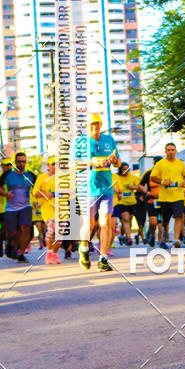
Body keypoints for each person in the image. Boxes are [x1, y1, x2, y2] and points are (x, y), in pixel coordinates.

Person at [79, 113, 120, 273]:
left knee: (105, 222)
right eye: (91, 124)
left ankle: (103, 258)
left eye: (97, 124)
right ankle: (83, 247)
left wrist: (114, 160)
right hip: (88, 188)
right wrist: (91, 162)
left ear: (101, 124)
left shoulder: (109, 140)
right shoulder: (80, 142)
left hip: (106, 188)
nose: (94, 127)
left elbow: (118, 161)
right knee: (89, 224)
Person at [0, 152, 37, 264]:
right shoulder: (8, 174)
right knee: (12, 233)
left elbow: (37, 188)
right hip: (10, 208)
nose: (21, 164)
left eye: (23, 161)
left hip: (25, 206)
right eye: (19, 161)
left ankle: (21, 254)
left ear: (26, 162)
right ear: (15, 162)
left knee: (26, 228)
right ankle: (10, 245)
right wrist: (5, 194)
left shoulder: (30, 175)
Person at [150, 144, 185, 250]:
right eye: (168, 150)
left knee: (179, 216)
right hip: (165, 197)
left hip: (178, 196)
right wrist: (163, 181)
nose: (171, 152)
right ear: (165, 152)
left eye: (173, 150)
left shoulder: (181, 164)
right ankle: (164, 234)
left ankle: (176, 239)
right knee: (165, 220)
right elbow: (153, 177)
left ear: (176, 151)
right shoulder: (160, 164)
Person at [33, 156, 61, 264]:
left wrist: (54, 194)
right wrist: (45, 194)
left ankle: (54, 253)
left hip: (61, 207)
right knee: (51, 228)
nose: (55, 166)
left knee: (60, 233)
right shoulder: (42, 177)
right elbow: (35, 192)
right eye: (53, 164)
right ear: (48, 166)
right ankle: (49, 252)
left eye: (57, 164)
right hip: (47, 207)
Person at [112, 162, 142, 246]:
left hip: (132, 202)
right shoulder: (117, 177)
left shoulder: (132, 177)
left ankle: (122, 235)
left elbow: (140, 187)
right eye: (124, 170)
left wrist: (132, 187)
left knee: (129, 221)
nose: (126, 171)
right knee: (125, 219)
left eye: (127, 170)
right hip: (121, 202)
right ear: (120, 170)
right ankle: (129, 238)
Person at [137, 157, 161, 246]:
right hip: (151, 201)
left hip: (164, 200)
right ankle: (152, 235)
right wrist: (147, 192)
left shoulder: (166, 172)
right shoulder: (148, 173)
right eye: (156, 164)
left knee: (162, 222)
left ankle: (160, 240)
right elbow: (140, 185)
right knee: (153, 222)